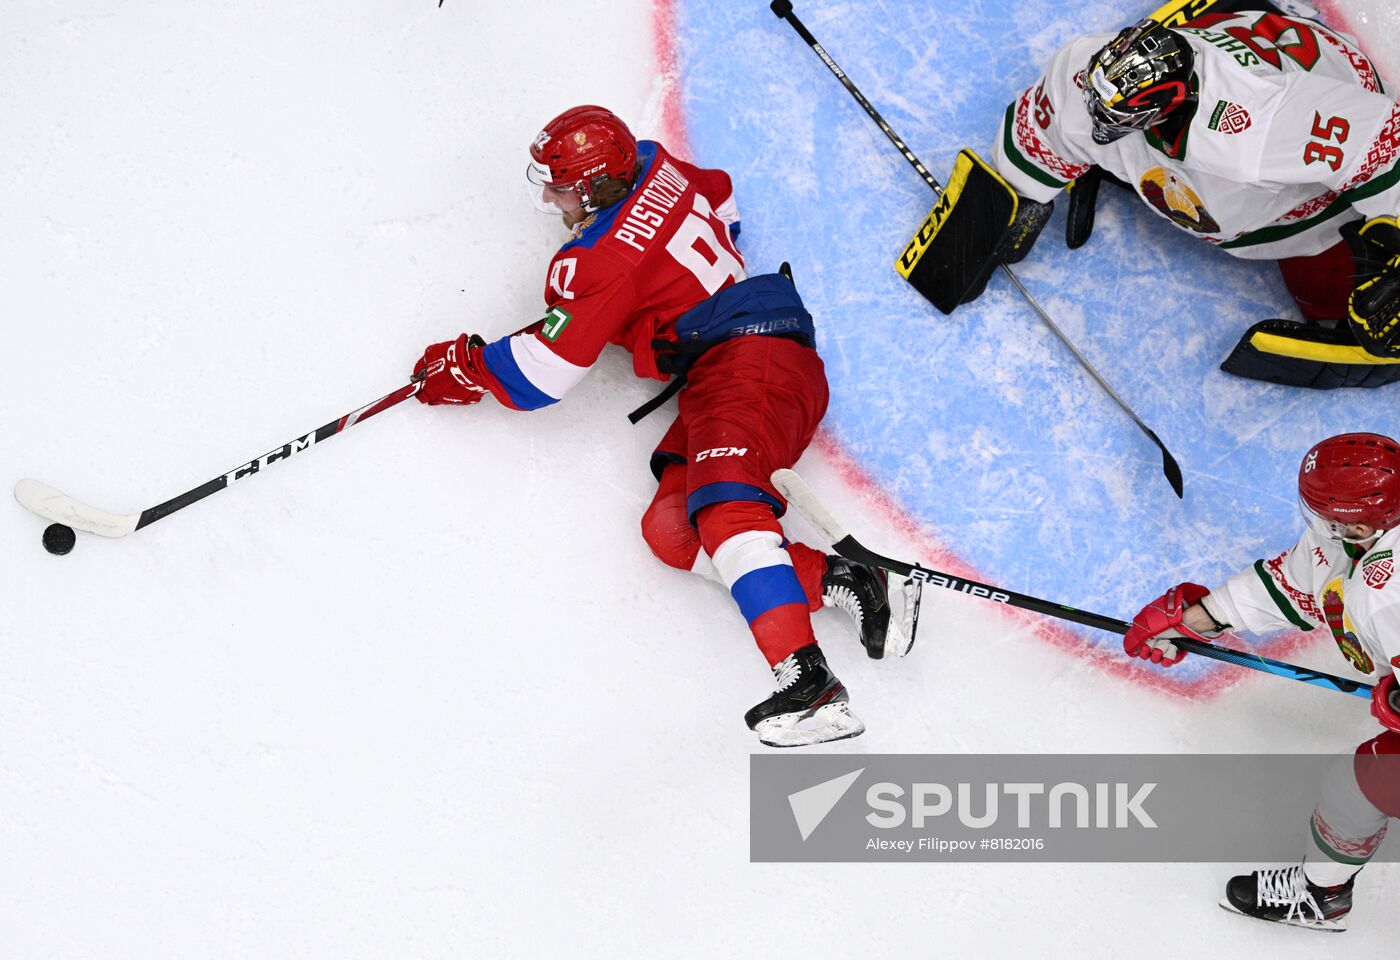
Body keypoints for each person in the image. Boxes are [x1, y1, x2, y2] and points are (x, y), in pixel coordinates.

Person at [410, 105, 915, 747]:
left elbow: (544, 374)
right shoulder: (654, 163)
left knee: (730, 512)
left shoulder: (595, 262)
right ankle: (850, 579)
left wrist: (472, 369)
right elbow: (722, 197)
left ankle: (811, 686)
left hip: (752, 364)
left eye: (560, 185)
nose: (548, 196)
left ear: (594, 186)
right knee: (672, 531)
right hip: (733, 370)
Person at [983, 6, 1400, 389]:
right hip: (1264, 51)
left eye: (1117, 118)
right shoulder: (1085, 68)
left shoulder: (1260, 126)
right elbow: (1047, 124)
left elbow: (1384, 136)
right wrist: (1013, 199)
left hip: (1325, 139)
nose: (1096, 119)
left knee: (1342, 300)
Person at [1122, 432, 1400, 930]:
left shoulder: (1390, 591)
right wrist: (1200, 617)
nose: (1320, 528)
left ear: (1359, 522)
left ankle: (1322, 897)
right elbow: (1299, 582)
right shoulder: (1357, 537)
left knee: (1358, 787)